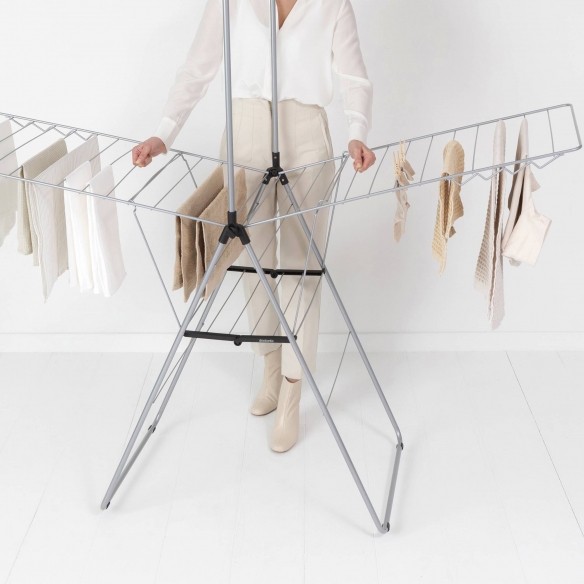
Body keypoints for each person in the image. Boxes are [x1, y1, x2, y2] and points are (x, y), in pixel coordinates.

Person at [132, 0, 375, 453]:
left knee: (301, 265)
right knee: (253, 257)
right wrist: (164, 132)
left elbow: (354, 77)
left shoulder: (332, 4)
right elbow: (198, 67)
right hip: (245, 129)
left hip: (307, 131)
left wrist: (357, 130)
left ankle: (292, 389)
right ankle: (270, 368)